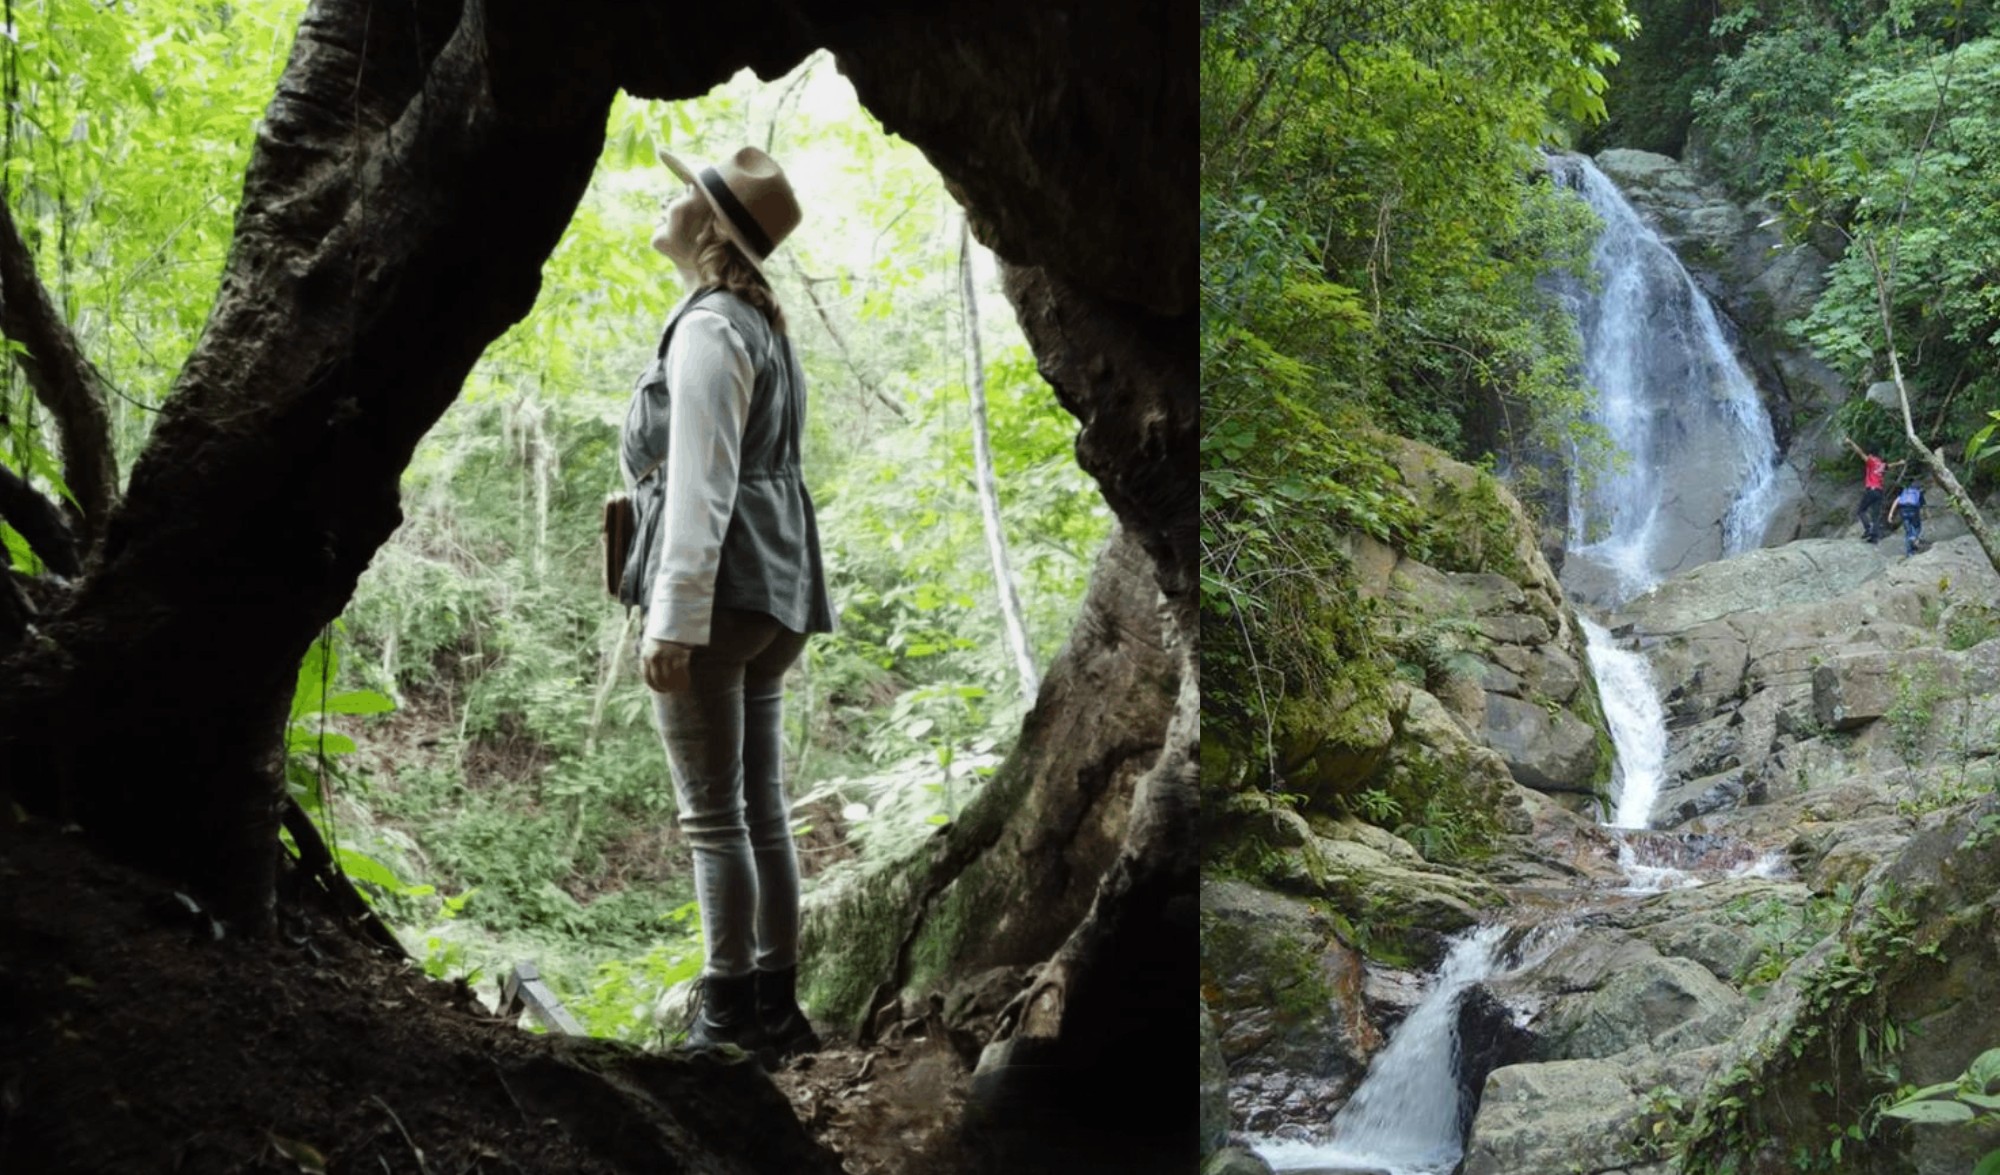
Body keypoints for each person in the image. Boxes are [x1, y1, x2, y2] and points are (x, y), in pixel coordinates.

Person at [618, 143, 836, 1064]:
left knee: (715, 817)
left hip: (722, 593)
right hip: (776, 589)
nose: (669, 204)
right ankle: (776, 1010)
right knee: (762, 808)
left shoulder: (711, 327)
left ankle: (722, 1023)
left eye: (684, 196)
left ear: (708, 225)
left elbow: (705, 480)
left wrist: (673, 616)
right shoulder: (759, 323)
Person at [1842, 437, 1905, 543]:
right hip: (1879, 492)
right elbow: (1889, 466)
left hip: (1871, 490)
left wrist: (1851, 442)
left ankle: (1868, 529)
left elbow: (1860, 452)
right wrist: (1899, 462)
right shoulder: (1881, 464)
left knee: (1861, 510)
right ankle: (1874, 537)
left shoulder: (1871, 461)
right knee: (1876, 515)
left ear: (1871, 454)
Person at [1887, 479, 1927, 558]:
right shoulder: (1918, 493)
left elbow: (1896, 501)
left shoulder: (1905, 492)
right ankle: (1914, 538)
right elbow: (1923, 505)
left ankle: (1910, 552)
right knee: (1917, 527)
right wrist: (1926, 513)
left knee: (1908, 532)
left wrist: (1890, 514)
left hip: (1903, 512)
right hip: (1914, 512)